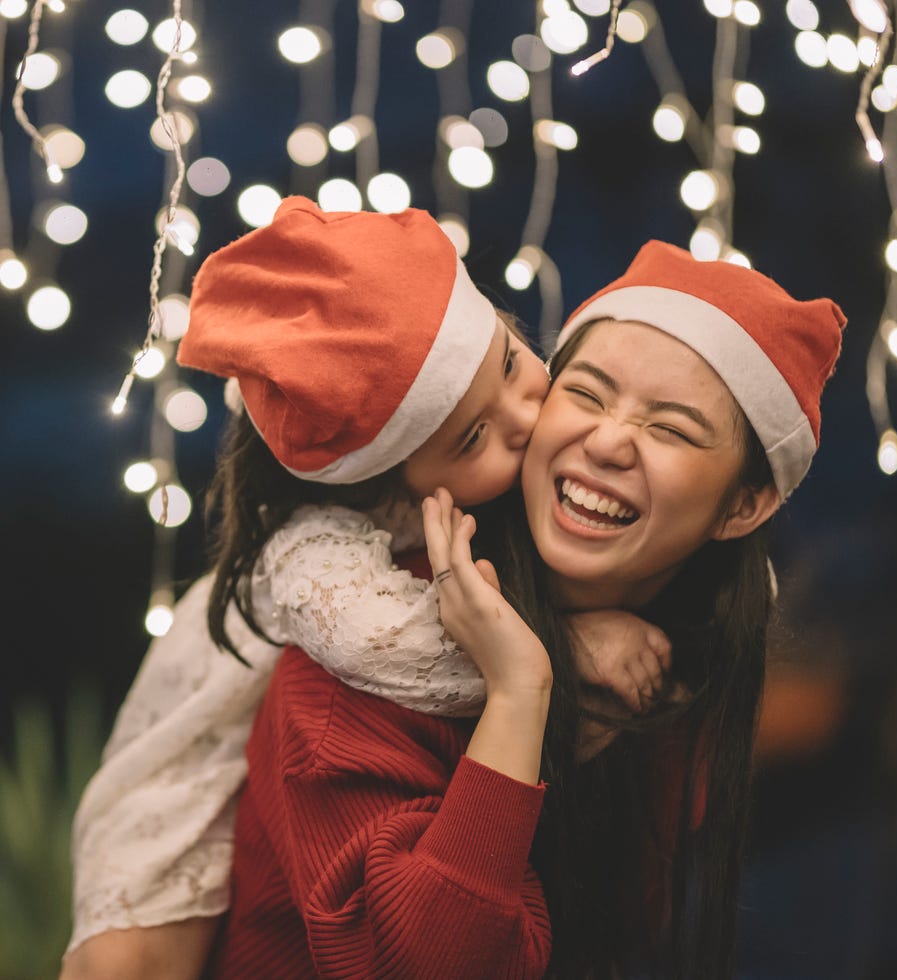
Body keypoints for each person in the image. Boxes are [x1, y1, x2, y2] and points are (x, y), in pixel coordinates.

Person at [62, 200, 668, 979]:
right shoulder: (317, 558)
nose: (526, 415)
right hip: (185, 780)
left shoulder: (467, 495)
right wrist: (567, 647)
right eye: (473, 436)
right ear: (395, 477)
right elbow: (385, 644)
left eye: (512, 363)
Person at [207, 241, 845, 978]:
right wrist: (519, 691)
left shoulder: (674, 668)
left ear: (743, 506)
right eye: (586, 393)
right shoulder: (359, 658)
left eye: (669, 428)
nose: (607, 441)